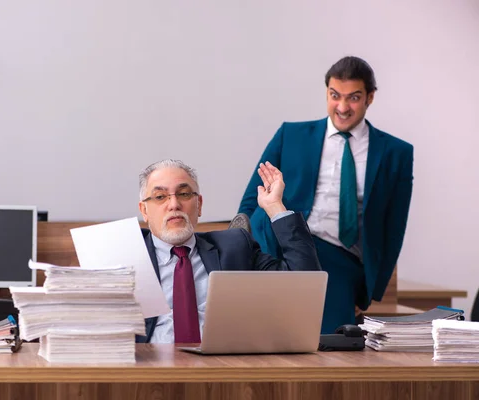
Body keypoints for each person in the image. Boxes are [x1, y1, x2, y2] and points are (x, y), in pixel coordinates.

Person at [237, 56, 414, 334]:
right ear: (326, 92)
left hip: (337, 260)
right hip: (277, 245)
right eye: (335, 96)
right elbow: (251, 199)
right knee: (257, 334)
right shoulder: (291, 135)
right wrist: (236, 252)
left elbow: (394, 228)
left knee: (333, 343)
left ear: (370, 97)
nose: (342, 107)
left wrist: (369, 291)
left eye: (354, 98)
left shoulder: (396, 153)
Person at [136, 159, 321, 344]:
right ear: (144, 210)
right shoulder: (130, 255)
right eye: (160, 197)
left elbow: (304, 284)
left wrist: (275, 207)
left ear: (199, 204)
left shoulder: (234, 247)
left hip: (221, 366)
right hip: (147, 366)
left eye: (184, 194)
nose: (174, 204)